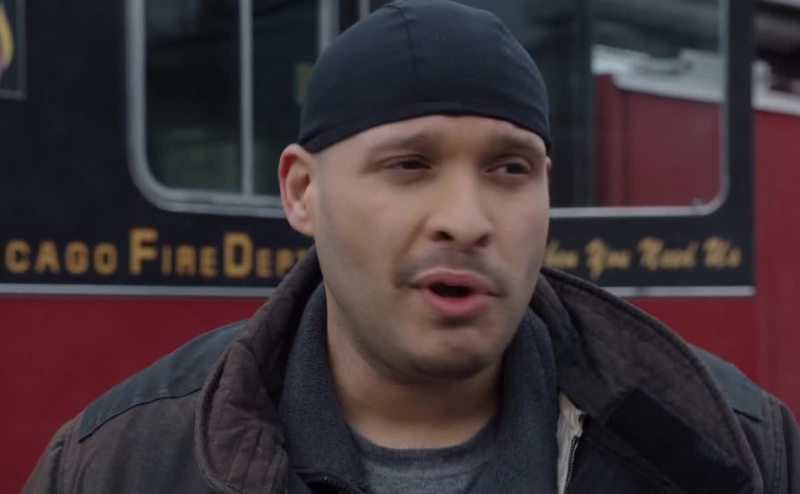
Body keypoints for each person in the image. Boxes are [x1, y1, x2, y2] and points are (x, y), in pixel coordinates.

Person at [24, 1, 799, 492]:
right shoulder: (120, 465)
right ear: (302, 192)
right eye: (409, 165)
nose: (465, 219)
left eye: (509, 169)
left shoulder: (735, 448)